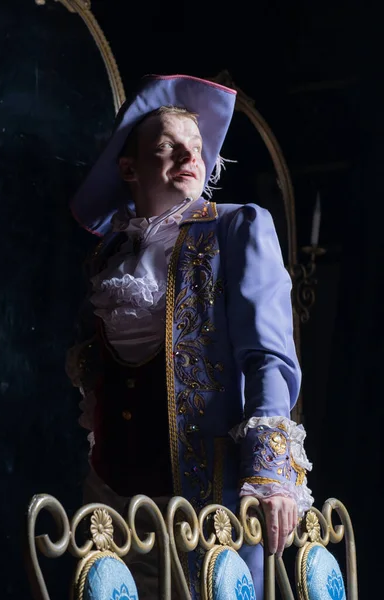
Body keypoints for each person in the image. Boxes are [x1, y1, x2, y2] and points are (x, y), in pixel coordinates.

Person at [65, 74, 313, 599]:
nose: (189, 156)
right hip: (112, 497)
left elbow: (268, 353)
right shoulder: (110, 255)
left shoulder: (237, 227)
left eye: (196, 147)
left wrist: (272, 474)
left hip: (206, 500)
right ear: (129, 168)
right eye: (167, 147)